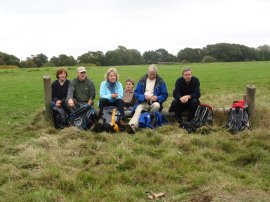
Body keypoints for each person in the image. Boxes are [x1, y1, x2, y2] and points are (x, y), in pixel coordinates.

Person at [126, 64, 168, 134]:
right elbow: (136, 93)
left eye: (153, 74)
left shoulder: (161, 82)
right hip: (143, 101)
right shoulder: (142, 80)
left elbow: (165, 95)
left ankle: (149, 125)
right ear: (147, 72)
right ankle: (132, 126)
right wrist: (144, 97)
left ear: (156, 73)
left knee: (156, 105)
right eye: (150, 74)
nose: (152, 76)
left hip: (155, 102)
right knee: (138, 108)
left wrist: (157, 98)